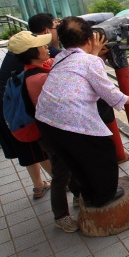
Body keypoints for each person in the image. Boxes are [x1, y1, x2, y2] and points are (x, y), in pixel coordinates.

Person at [35, 17, 129, 207]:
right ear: (90, 38)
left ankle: (89, 194)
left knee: (76, 161)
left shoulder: (60, 57)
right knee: (104, 153)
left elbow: (80, 65)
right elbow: (108, 92)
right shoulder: (91, 62)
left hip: (46, 120)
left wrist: (92, 52)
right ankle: (103, 196)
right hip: (72, 121)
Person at [8, 31, 80, 232]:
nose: (46, 47)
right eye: (41, 45)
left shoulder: (34, 70)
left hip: (49, 131)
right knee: (60, 173)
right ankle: (61, 216)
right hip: (52, 134)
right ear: (32, 52)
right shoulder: (39, 79)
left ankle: (78, 196)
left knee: (67, 165)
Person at [0, 13, 59, 200]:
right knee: (34, 145)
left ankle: (38, 185)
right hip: (15, 112)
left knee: (25, 148)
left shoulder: (19, 50)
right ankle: (62, 183)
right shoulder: (36, 55)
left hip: (3, 104)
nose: (46, 45)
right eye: (54, 26)